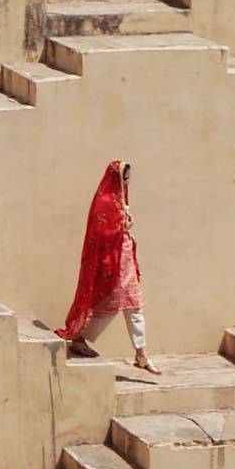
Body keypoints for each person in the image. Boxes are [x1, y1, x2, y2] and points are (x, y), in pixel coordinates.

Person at [56, 160, 161, 374]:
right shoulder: (104, 202)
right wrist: (121, 227)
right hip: (111, 263)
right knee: (109, 307)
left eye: (128, 179)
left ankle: (141, 354)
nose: (127, 182)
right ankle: (80, 338)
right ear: (115, 178)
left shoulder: (120, 201)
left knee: (134, 307)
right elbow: (100, 231)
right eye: (124, 178)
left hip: (125, 261)